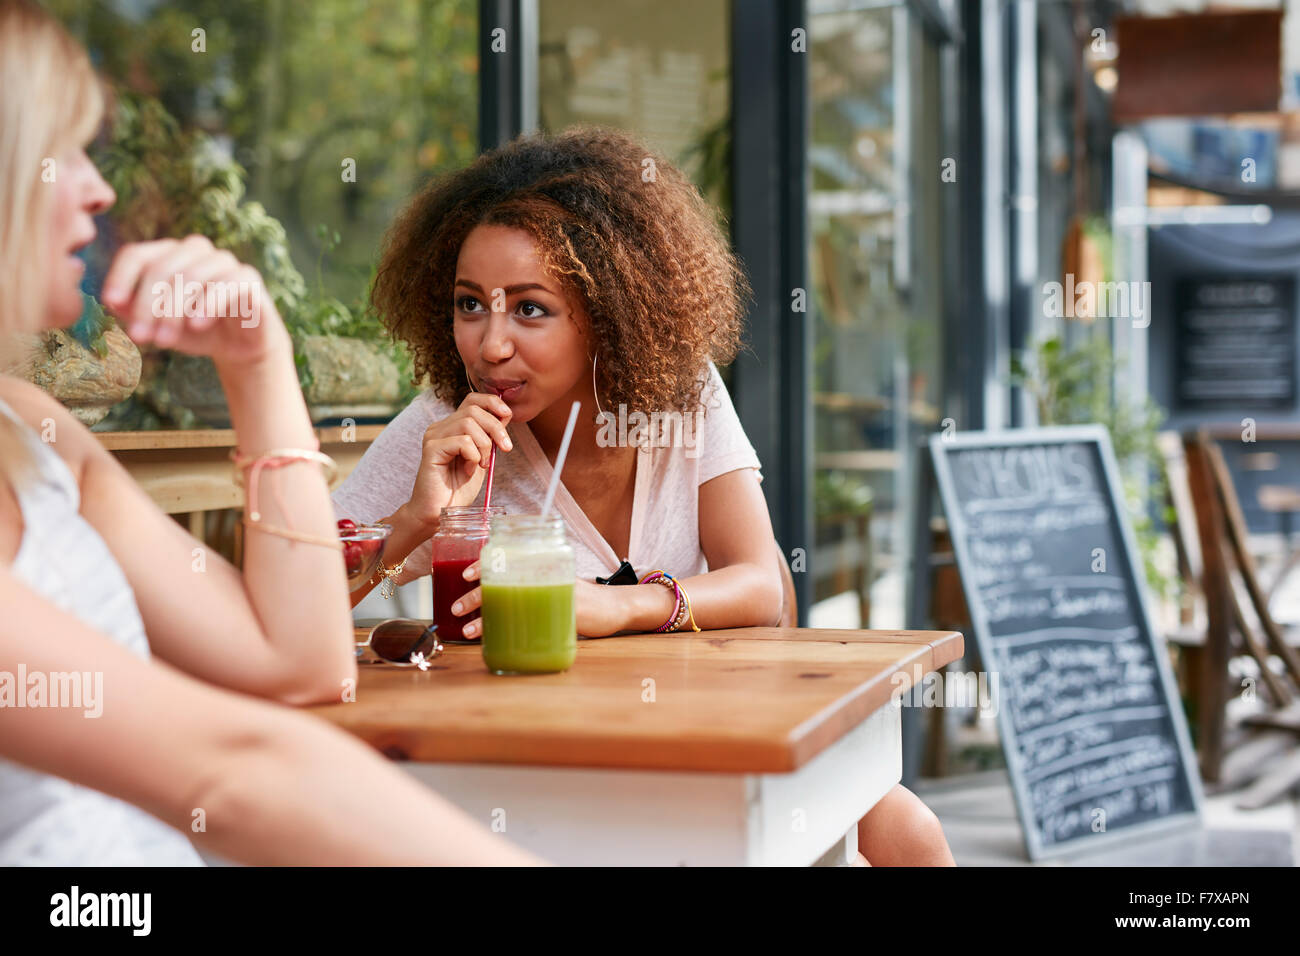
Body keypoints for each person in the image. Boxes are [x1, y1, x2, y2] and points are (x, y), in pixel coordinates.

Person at [0, 0, 539, 866]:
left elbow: (300, 664)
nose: (98, 190)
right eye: (60, 155)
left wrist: (258, 358)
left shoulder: (33, 431)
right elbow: (233, 773)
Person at [333, 127, 956, 865]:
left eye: (530, 309)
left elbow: (765, 588)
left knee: (909, 834)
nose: (489, 344)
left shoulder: (679, 399)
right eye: (471, 305)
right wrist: (416, 519)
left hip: (703, 728)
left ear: (609, 309)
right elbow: (301, 602)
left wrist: (611, 604)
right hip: (522, 763)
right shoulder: (445, 422)